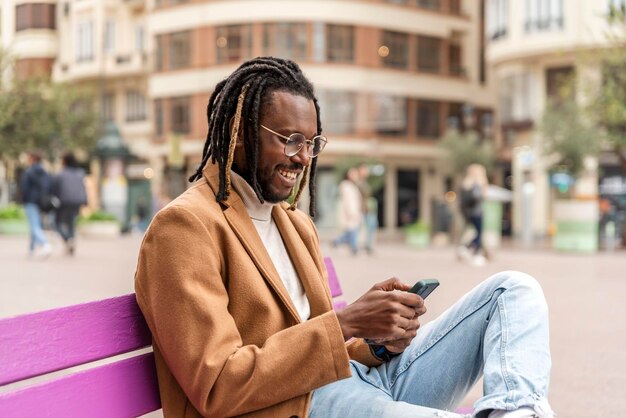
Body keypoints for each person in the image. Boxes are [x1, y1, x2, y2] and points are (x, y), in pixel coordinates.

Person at [134, 57, 554, 418]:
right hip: (292, 406)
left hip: (358, 384)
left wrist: (378, 341)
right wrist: (346, 322)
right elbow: (218, 384)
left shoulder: (293, 223)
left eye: (311, 143)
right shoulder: (185, 227)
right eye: (289, 140)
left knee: (513, 290)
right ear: (238, 131)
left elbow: (329, 347)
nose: (302, 157)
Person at [19, 151, 53, 258]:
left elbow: (24, 188)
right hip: (41, 202)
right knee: (36, 224)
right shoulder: (45, 171)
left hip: (30, 201)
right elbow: (49, 186)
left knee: (34, 226)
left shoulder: (29, 172)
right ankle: (31, 249)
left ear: (32, 159)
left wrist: (23, 200)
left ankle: (45, 245)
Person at [52, 152, 87, 255]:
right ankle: (70, 242)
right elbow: (83, 188)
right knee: (71, 223)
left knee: (56, 223)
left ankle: (68, 239)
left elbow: (55, 189)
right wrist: (85, 200)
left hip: (64, 201)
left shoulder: (61, 174)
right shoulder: (80, 173)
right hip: (77, 201)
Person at [457, 163, 490, 266]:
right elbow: (477, 197)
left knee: (474, 232)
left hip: (468, 213)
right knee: (479, 233)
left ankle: (465, 248)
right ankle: (474, 254)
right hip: (477, 212)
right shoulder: (478, 183)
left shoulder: (466, 183)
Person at [332, 167, 363, 255]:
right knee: (352, 231)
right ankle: (353, 248)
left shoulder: (353, 186)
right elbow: (348, 201)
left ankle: (337, 241)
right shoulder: (345, 185)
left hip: (354, 212)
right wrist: (352, 212)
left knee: (351, 231)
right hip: (350, 212)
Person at [356, 162, 378, 254]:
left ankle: (368, 245)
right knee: (364, 227)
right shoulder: (358, 182)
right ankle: (363, 245)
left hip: (369, 209)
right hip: (363, 209)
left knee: (371, 226)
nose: (366, 172)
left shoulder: (366, 181)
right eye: (364, 170)